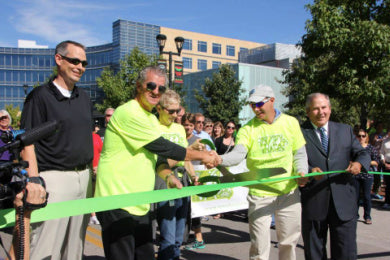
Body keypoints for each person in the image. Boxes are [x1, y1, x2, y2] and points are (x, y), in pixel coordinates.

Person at [94, 66, 218, 260]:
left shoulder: (151, 120)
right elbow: (163, 147)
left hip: (139, 202)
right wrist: (203, 156)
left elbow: (158, 158)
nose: (155, 91)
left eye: (161, 88)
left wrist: (168, 176)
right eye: (151, 85)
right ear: (138, 86)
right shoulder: (128, 112)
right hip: (116, 200)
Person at [215, 84, 308, 260]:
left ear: (272, 100)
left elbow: (299, 153)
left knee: (288, 243)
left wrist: (302, 171)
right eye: (252, 105)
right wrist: (219, 159)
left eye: (258, 104)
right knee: (259, 246)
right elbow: (238, 155)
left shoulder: (291, 123)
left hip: (288, 193)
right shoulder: (247, 129)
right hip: (260, 194)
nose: (255, 109)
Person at [20, 40, 94, 260]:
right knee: (46, 249)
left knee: (75, 249)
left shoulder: (85, 98)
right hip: (53, 180)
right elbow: (27, 143)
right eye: (75, 61)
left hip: (85, 179)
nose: (80, 67)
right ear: (59, 59)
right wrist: (33, 181)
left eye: (84, 63)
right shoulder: (39, 96)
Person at [300, 93, 370, 260]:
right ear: (308, 112)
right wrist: (308, 170)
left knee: (345, 252)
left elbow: (362, 153)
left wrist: (359, 164)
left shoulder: (344, 130)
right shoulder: (299, 133)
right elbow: (291, 161)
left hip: (344, 203)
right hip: (314, 201)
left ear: (330, 109)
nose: (321, 112)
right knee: (315, 253)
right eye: (316, 108)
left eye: (324, 107)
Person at [155, 90, 198, 260]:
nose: (175, 115)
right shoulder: (153, 127)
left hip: (183, 181)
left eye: (177, 111)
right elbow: (158, 162)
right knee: (168, 236)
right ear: (159, 108)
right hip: (164, 180)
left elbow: (186, 157)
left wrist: (194, 176)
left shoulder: (180, 129)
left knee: (180, 235)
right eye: (170, 111)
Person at [182, 113, 206, 250]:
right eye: (186, 125)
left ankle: (199, 239)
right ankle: (184, 237)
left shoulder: (198, 140)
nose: (188, 128)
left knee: (195, 209)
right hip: (181, 177)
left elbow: (204, 157)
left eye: (191, 125)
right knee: (183, 210)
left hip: (195, 177)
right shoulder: (180, 139)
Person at [355, 128, 378, 224]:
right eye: (359, 136)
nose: (361, 138)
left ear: (366, 137)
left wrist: (364, 162)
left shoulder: (371, 148)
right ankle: (354, 215)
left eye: (363, 136)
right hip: (355, 175)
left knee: (366, 196)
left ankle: (367, 216)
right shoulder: (354, 147)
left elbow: (376, 162)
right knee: (355, 196)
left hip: (367, 176)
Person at [380, 130, 390, 209]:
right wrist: (384, 162)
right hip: (386, 164)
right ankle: (387, 201)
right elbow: (382, 152)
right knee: (387, 184)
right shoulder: (385, 141)